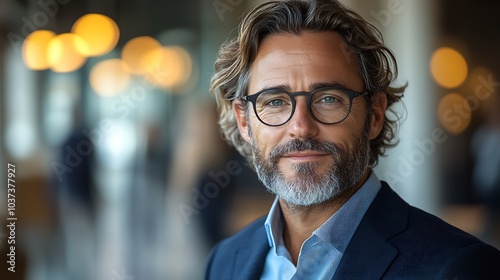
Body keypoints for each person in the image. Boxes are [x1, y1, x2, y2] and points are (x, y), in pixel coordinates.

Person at [205, 0, 500, 279]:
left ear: (375, 115)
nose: (301, 127)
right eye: (274, 102)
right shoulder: (225, 260)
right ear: (244, 120)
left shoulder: (459, 267)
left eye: (328, 99)